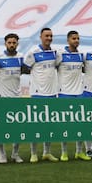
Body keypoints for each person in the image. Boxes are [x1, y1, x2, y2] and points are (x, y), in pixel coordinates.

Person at [23, 27, 62, 163]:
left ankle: (47, 152)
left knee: (48, 125)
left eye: (51, 36)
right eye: (47, 36)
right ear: (41, 37)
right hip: (37, 93)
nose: (49, 38)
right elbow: (25, 68)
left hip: (52, 93)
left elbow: (56, 66)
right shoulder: (33, 52)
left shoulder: (55, 53)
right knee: (36, 125)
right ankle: (33, 153)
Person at [57, 30, 89, 161]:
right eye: (73, 38)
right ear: (68, 40)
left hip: (79, 93)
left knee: (80, 125)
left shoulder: (81, 56)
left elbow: (85, 70)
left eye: (78, 39)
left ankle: (79, 151)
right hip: (64, 93)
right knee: (65, 125)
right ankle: (64, 152)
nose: (76, 41)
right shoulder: (60, 55)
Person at [0, 32, 26, 163]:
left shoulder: (21, 58)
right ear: (5, 43)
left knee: (17, 128)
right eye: (9, 42)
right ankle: (2, 153)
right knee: (1, 128)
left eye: (14, 42)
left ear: (17, 44)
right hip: (2, 98)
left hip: (17, 97)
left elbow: (26, 70)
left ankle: (15, 153)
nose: (12, 45)